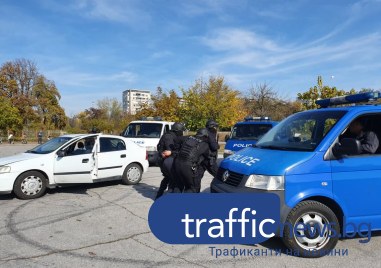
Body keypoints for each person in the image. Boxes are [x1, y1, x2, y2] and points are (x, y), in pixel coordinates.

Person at [174, 128, 212, 193]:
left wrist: (177, 150)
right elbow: (208, 157)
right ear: (205, 136)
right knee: (192, 187)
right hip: (187, 166)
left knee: (178, 185)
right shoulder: (204, 144)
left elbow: (176, 139)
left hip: (177, 163)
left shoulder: (188, 138)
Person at [155, 122, 185, 199]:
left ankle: (159, 196)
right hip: (166, 162)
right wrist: (174, 152)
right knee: (173, 181)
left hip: (164, 161)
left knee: (167, 178)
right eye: (181, 131)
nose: (182, 133)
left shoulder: (169, 135)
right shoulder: (169, 137)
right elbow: (169, 151)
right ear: (177, 130)